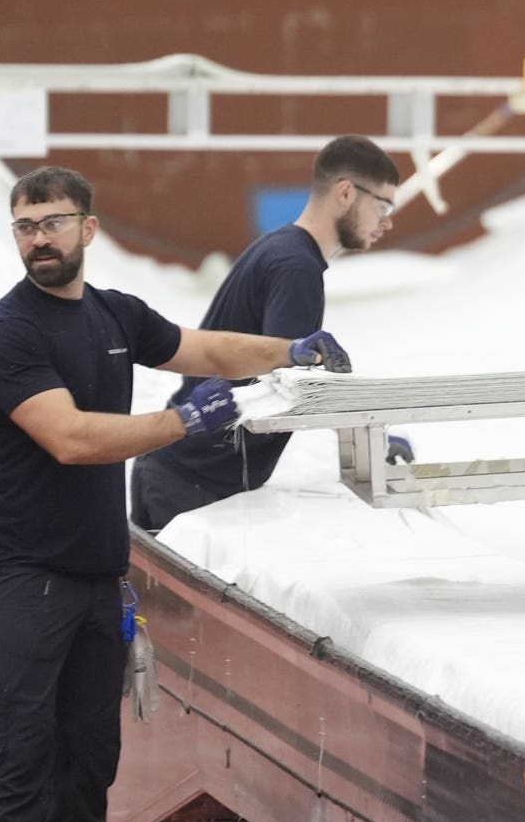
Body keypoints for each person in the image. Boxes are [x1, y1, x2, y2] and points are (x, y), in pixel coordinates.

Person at [0, 166, 351, 822]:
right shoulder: (5, 337)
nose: (38, 240)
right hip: (20, 580)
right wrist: (189, 420)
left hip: (97, 580)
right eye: (24, 226)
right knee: (16, 767)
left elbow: (202, 347)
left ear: (88, 229)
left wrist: (291, 352)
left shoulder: (110, 316)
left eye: (53, 223)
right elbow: (70, 438)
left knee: (85, 772)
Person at [131, 137, 399, 533]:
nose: (388, 222)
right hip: (192, 484)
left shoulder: (283, 249)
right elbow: (287, 389)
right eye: (383, 206)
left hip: (176, 472)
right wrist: (368, 441)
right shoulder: (296, 268)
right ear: (345, 192)